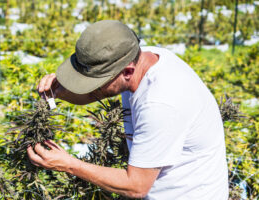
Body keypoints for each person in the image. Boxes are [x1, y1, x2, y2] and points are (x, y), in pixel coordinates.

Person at [27, 20, 229, 199]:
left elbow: (136, 185)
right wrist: (62, 89)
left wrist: (69, 164)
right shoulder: (137, 57)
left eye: (96, 81)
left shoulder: (160, 103)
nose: (91, 87)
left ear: (127, 71)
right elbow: (94, 94)